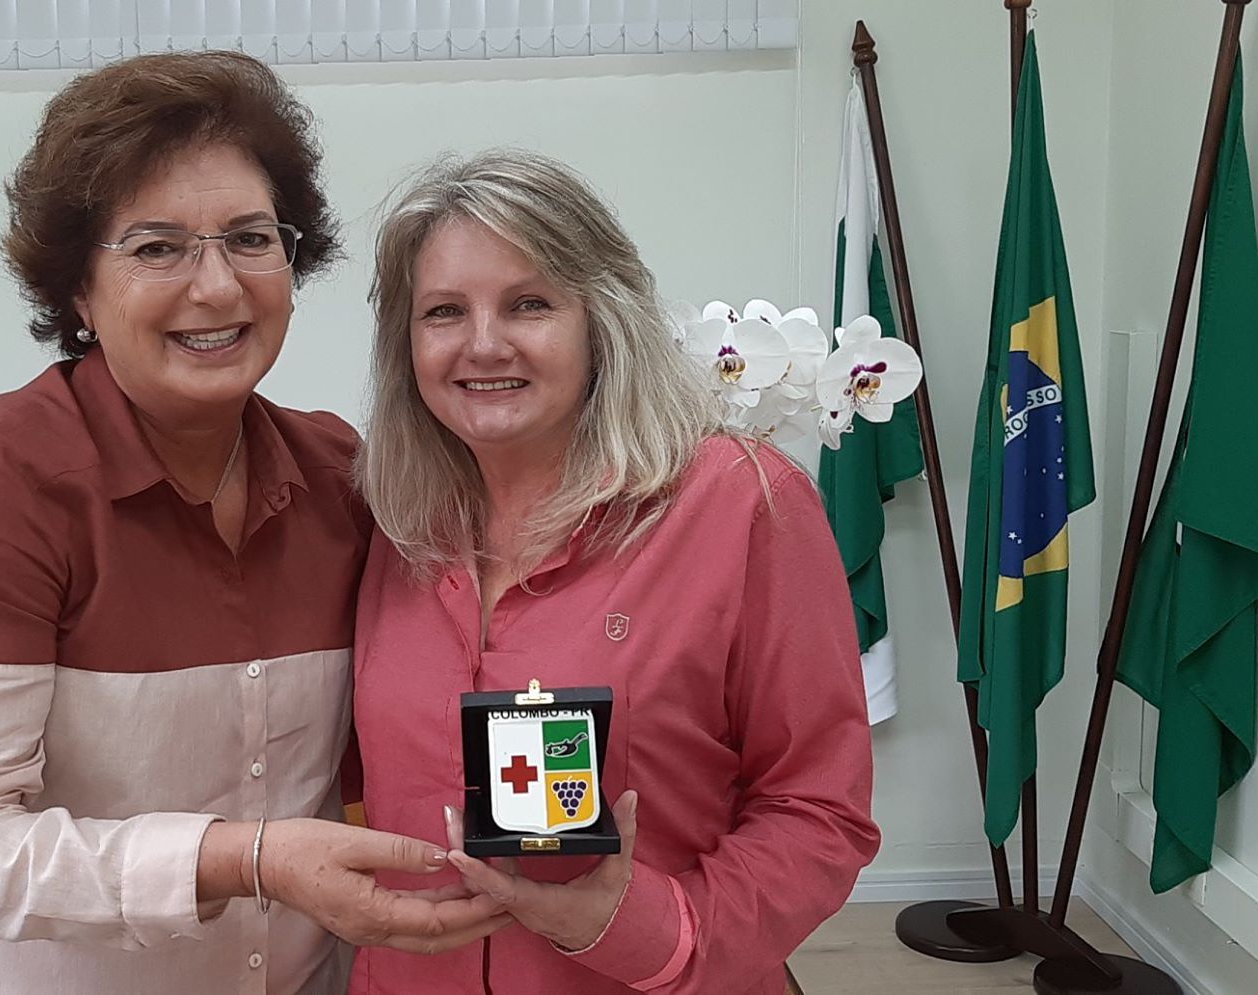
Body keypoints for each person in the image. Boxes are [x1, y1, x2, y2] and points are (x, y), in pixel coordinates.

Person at [0, 52, 504, 995]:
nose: (218, 286)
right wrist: (247, 858)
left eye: (250, 238)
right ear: (78, 288)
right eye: (158, 248)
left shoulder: (342, 479)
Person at [348, 150, 882, 994]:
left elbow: (818, 810)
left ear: (603, 318)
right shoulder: (392, 523)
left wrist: (648, 930)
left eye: (529, 303)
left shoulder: (743, 504)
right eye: (443, 311)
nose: (483, 343)